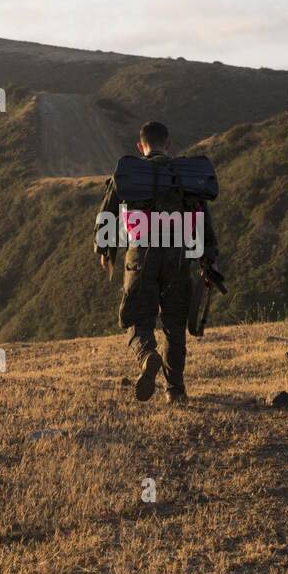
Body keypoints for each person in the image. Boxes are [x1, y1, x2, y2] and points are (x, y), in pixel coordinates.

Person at [95, 121, 219, 403]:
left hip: (141, 253)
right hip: (178, 254)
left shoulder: (130, 173)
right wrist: (209, 258)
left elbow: (107, 212)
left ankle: (147, 355)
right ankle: (175, 390)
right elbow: (202, 218)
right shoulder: (185, 176)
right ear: (169, 144)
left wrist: (105, 249)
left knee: (137, 318)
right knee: (175, 324)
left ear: (141, 147)